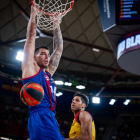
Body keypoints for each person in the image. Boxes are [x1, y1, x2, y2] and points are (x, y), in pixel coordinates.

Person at [22, 6, 64, 140]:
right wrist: (34, 13)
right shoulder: (30, 68)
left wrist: (56, 23)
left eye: (48, 54)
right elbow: (31, 36)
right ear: (34, 58)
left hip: (51, 115)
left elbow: (59, 48)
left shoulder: (48, 73)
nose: (47, 57)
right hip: (40, 115)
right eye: (43, 54)